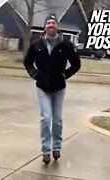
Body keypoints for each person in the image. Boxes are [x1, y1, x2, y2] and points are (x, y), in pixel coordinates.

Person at [24, 14, 81, 164]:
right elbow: (27, 62)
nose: (51, 25)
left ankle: (56, 147)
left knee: (57, 120)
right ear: (45, 26)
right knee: (46, 117)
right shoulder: (36, 44)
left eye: (53, 23)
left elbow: (76, 64)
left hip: (58, 87)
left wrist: (65, 75)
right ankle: (45, 151)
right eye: (48, 22)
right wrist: (35, 74)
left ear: (57, 26)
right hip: (42, 86)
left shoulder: (66, 45)